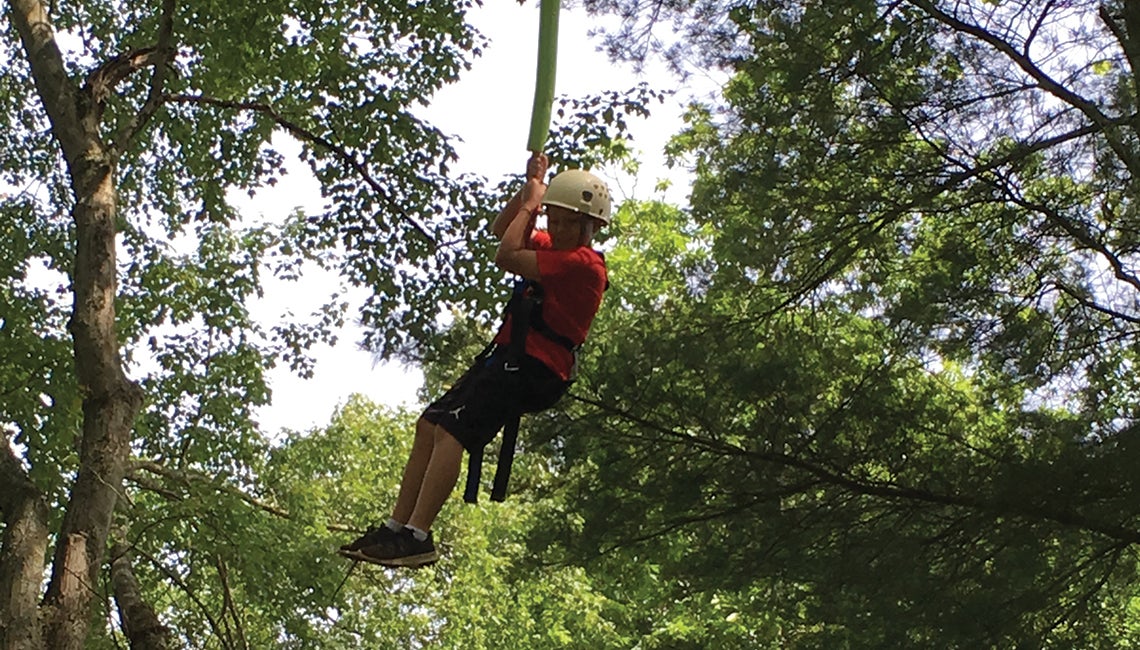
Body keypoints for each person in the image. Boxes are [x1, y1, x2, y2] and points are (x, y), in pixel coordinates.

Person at [338, 152, 611, 568]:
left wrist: (532, 205)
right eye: (552, 219)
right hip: (511, 357)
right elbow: (504, 231)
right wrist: (529, 191)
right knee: (429, 424)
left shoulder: (582, 263)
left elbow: (505, 256)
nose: (555, 228)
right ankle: (396, 527)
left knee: (452, 429)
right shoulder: (554, 249)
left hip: (537, 369)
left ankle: (417, 535)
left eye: (567, 222)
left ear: (590, 227)